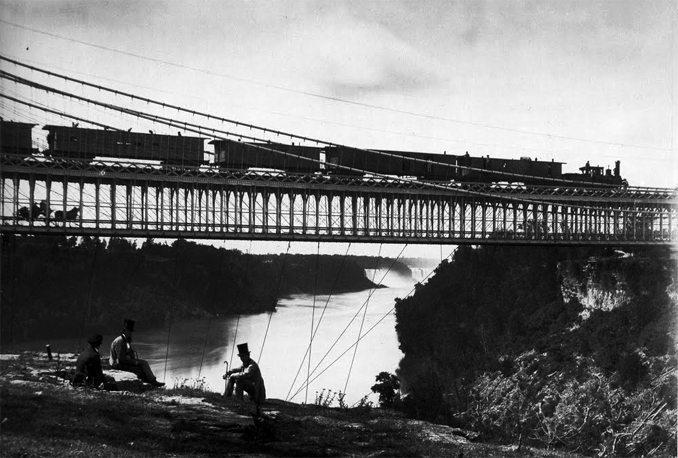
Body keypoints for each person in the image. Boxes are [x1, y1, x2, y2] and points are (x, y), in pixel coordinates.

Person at [109, 319, 164, 387]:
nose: (130, 333)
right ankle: (151, 382)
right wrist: (134, 362)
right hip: (117, 364)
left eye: (131, 332)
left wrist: (130, 356)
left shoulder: (125, 340)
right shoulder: (120, 341)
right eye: (129, 331)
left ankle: (151, 381)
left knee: (144, 363)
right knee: (141, 367)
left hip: (123, 362)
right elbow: (121, 358)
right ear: (125, 331)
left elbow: (128, 353)